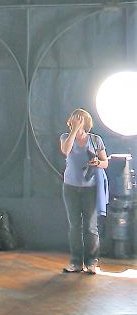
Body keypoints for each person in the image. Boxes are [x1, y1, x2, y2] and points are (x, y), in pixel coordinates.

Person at [60, 108, 108, 275]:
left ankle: (92, 262)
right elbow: (66, 151)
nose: (77, 120)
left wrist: (97, 163)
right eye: (74, 118)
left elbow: (105, 162)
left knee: (90, 227)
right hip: (71, 187)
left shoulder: (95, 139)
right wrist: (74, 130)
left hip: (90, 188)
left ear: (86, 121)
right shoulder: (65, 137)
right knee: (75, 226)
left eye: (80, 119)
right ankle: (75, 263)